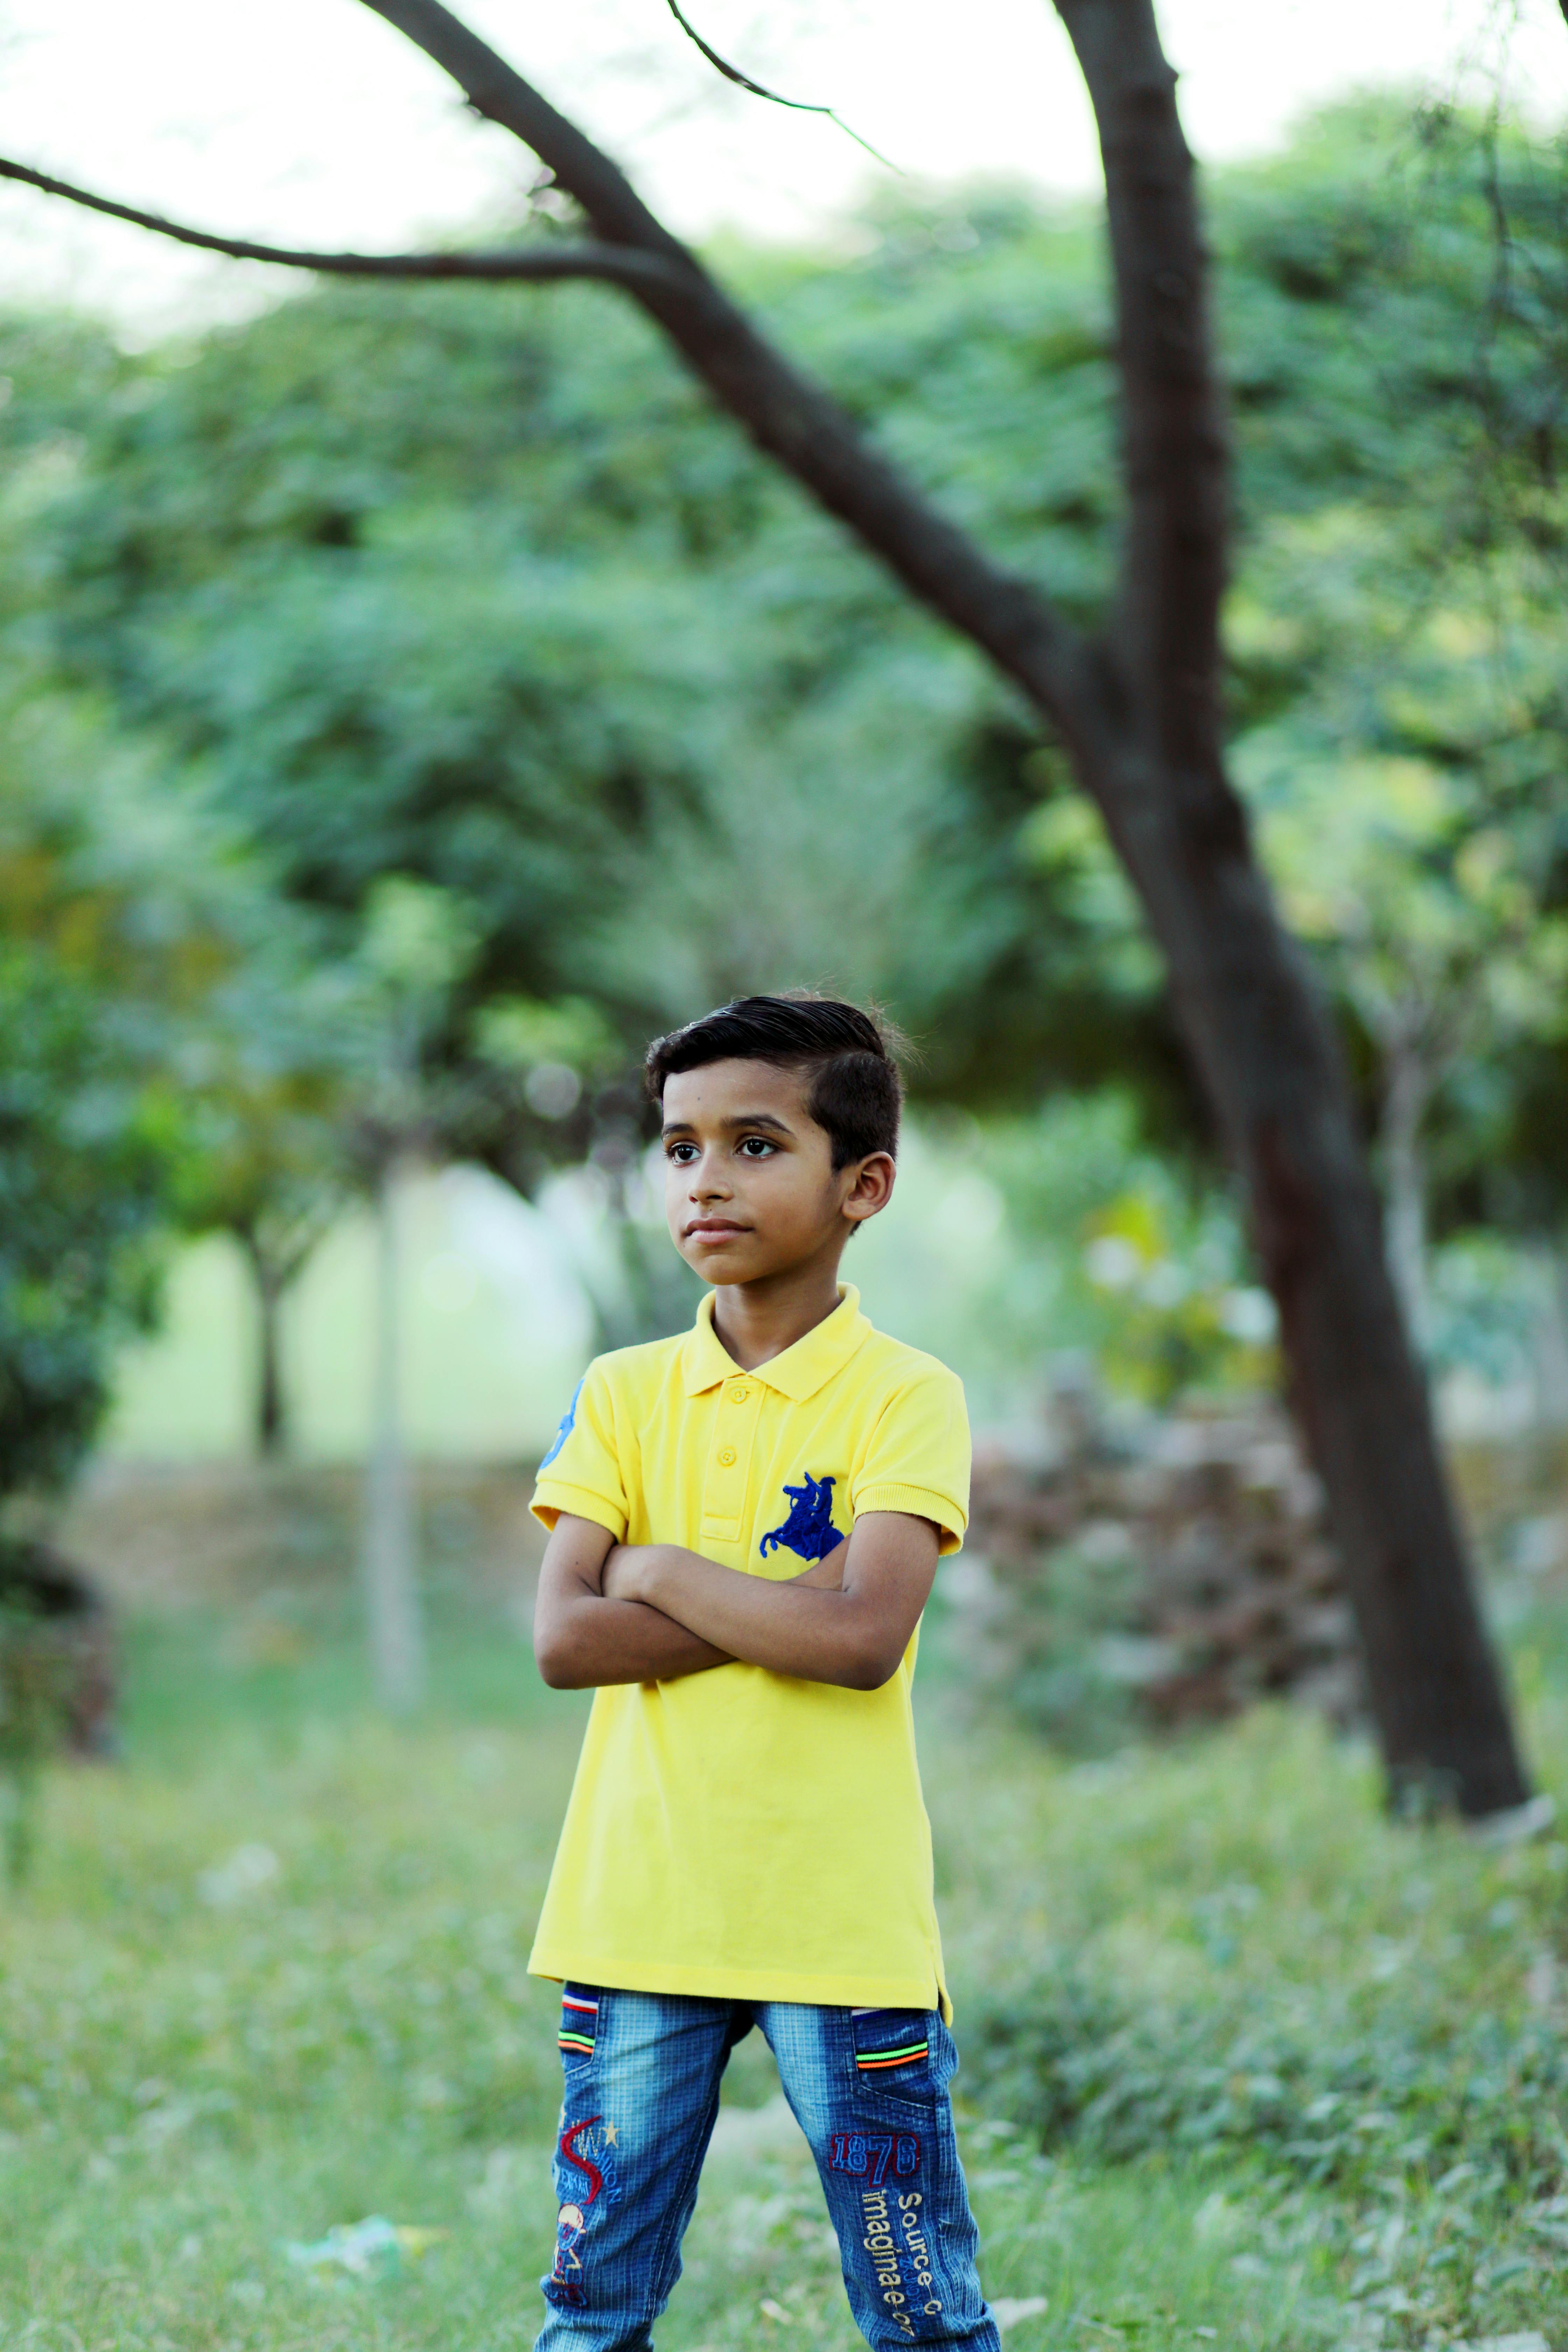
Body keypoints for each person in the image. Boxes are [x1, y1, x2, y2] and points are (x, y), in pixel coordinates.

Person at [528, 993, 999, 2352]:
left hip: (840, 1926)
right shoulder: (620, 1393)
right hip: (636, 1911)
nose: (705, 1179)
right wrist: (781, 1601)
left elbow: (860, 1643)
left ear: (865, 1185)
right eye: (679, 1149)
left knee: (919, 2306)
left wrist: (663, 1572)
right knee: (592, 2299)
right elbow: (564, 1641)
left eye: (752, 1144)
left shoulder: (907, 1397)